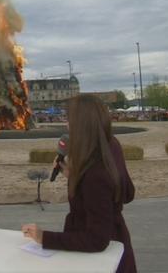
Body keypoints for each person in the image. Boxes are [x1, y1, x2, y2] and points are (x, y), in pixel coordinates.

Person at [22, 95, 136, 273]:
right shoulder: (112, 144)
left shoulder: (95, 174)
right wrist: (74, 175)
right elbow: (127, 193)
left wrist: (44, 237)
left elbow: (96, 240)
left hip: (100, 262)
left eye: (69, 120)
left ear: (82, 125)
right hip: (119, 244)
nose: (67, 125)